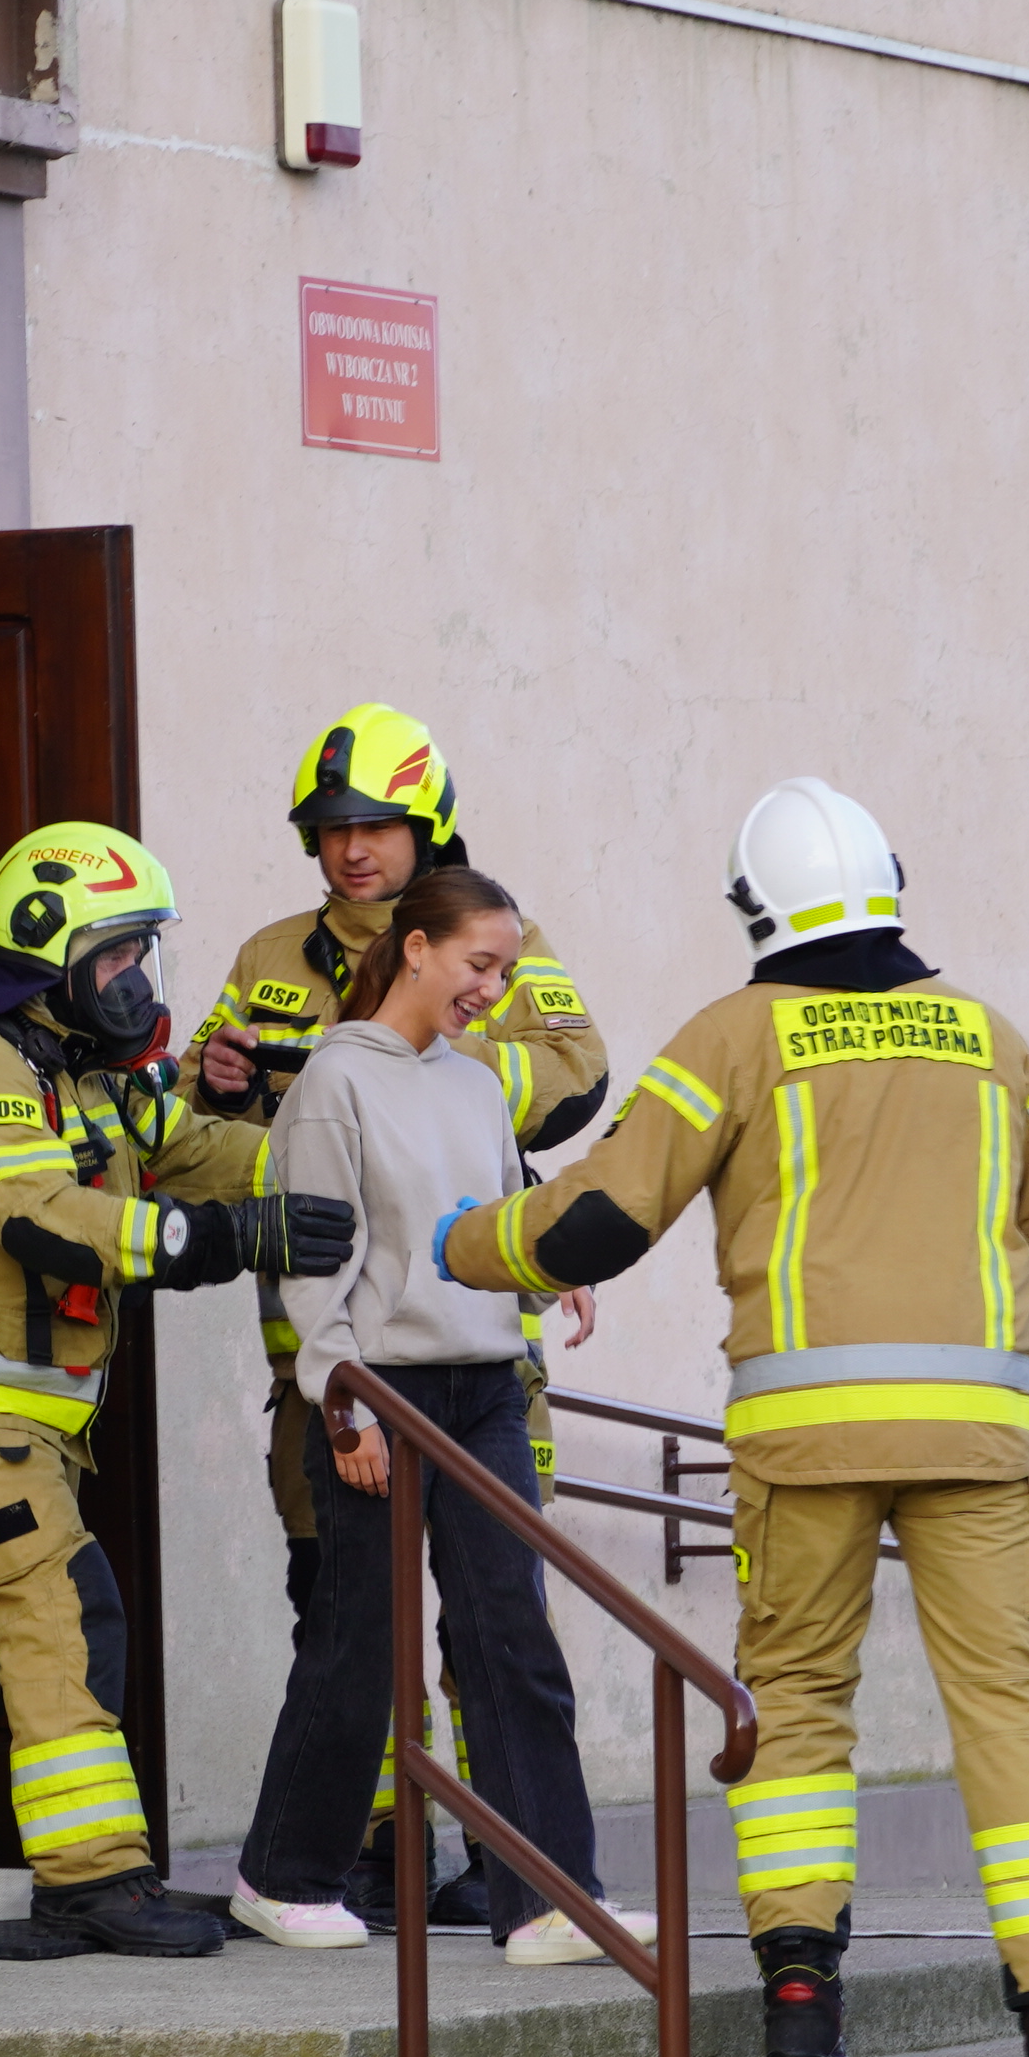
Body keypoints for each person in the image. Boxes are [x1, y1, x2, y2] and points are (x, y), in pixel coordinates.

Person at [432, 779, 1029, 2057]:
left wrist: (465, 1241)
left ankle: (801, 2007)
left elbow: (594, 1226)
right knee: (1010, 1718)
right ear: (890, 884)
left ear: (757, 909)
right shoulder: (996, 1044)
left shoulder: (734, 1037)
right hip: (979, 1442)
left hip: (802, 1443)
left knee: (797, 1704)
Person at [0, 821, 357, 1957]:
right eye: (117, 954)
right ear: (50, 953)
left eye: (145, 951)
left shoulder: (87, 1075)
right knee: (64, 1616)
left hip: (34, 1426)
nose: (137, 977)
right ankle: (93, 1876)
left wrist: (341, 1166)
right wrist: (231, 1239)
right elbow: (39, 1216)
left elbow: (199, 1147)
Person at [186, 702, 609, 1922]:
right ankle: (362, 1857)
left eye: (376, 826)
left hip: (470, 1359)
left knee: (496, 1628)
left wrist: (437, 1068)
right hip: (334, 1372)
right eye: (332, 829)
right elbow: (194, 1136)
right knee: (345, 1626)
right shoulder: (270, 959)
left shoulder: (488, 954)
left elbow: (572, 1073)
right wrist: (224, 1080)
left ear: (428, 834)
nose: (351, 848)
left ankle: (508, 1870)